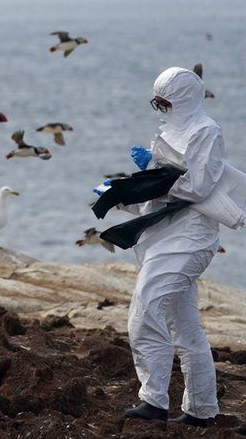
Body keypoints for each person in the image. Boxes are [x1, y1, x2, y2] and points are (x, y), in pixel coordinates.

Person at [122, 67, 223, 427]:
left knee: (145, 308)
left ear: (183, 99)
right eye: (156, 103)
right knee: (184, 327)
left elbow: (198, 187)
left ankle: (153, 400)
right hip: (167, 235)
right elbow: (161, 187)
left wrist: (152, 167)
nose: (161, 109)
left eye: (165, 102)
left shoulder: (206, 131)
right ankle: (201, 409)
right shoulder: (171, 131)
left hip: (192, 238)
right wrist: (124, 194)